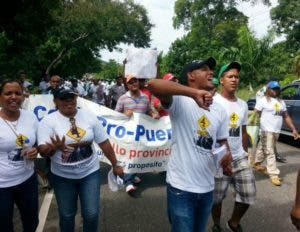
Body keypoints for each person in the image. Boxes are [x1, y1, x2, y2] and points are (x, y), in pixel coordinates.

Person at [148, 57, 232, 232]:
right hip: (181, 188)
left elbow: (222, 141)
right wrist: (194, 94)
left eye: (211, 69)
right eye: (204, 69)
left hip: (208, 187)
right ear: (191, 76)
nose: (211, 72)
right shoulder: (180, 101)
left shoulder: (220, 110)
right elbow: (153, 85)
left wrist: (227, 155)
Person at [37, 88, 123, 232]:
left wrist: (116, 164)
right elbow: (43, 151)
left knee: (91, 214)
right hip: (62, 177)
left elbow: (104, 142)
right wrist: (53, 147)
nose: (68, 101)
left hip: (90, 174)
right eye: (63, 98)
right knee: (67, 215)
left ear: (77, 99)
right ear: (55, 101)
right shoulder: (48, 121)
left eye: (71, 97)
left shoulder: (89, 117)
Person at [211, 62, 256, 232]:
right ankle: (216, 224)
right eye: (230, 76)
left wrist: (245, 152)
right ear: (221, 80)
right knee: (216, 198)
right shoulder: (213, 102)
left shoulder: (243, 105)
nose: (234, 79)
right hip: (219, 159)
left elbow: (243, 131)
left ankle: (234, 222)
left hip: (239, 157)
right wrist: (220, 157)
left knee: (248, 194)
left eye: (236, 76)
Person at [0, 80, 39, 232]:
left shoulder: (31, 117)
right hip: (2, 186)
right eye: (8, 93)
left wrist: (35, 151)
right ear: (0, 97)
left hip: (27, 180)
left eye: (18, 93)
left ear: (23, 96)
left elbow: (37, 143)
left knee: (31, 222)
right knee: (4, 226)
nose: (13, 97)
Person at [253, 80, 299, 186]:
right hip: (266, 130)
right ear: (268, 90)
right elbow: (255, 114)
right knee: (270, 152)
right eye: (273, 88)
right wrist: (252, 128)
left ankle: (256, 162)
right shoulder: (263, 100)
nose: (275, 90)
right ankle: (273, 174)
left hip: (276, 131)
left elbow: (286, 116)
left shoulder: (281, 102)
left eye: (277, 89)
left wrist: (293, 129)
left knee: (263, 148)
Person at [115, 75, 153, 193]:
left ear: (138, 82)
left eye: (135, 81)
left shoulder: (145, 97)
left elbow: (149, 110)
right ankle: (128, 183)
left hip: (141, 133)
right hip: (128, 133)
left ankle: (132, 174)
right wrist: (124, 115)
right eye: (130, 83)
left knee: (138, 154)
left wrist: (154, 114)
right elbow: (115, 115)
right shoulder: (123, 98)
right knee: (129, 156)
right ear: (127, 85)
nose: (133, 84)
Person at [255, 77, 287, 163]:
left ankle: (257, 162)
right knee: (269, 149)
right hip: (266, 125)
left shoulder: (279, 100)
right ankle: (273, 172)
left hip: (274, 127)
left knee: (263, 145)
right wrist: (262, 121)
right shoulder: (261, 93)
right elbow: (258, 110)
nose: (275, 90)